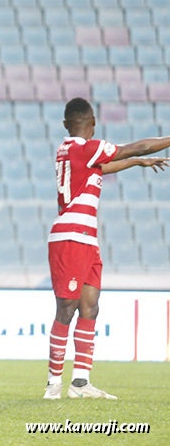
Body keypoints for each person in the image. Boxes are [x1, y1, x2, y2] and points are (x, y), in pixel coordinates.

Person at [43, 98, 169, 400]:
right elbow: (135, 147)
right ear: (94, 123)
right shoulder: (86, 148)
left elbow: (110, 164)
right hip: (70, 236)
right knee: (67, 309)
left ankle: (81, 384)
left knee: (90, 307)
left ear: (65, 124)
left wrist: (136, 163)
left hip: (86, 238)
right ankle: (53, 385)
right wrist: (147, 151)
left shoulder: (72, 152)